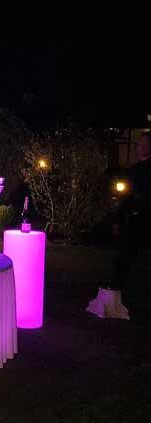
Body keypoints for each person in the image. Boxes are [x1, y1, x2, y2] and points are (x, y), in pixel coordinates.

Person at [88, 131, 151, 319]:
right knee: (123, 259)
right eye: (139, 143)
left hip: (144, 220)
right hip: (131, 221)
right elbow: (124, 197)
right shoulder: (133, 170)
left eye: (144, 143)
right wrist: (117, 218)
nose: (140, 146)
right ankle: (118, 294)